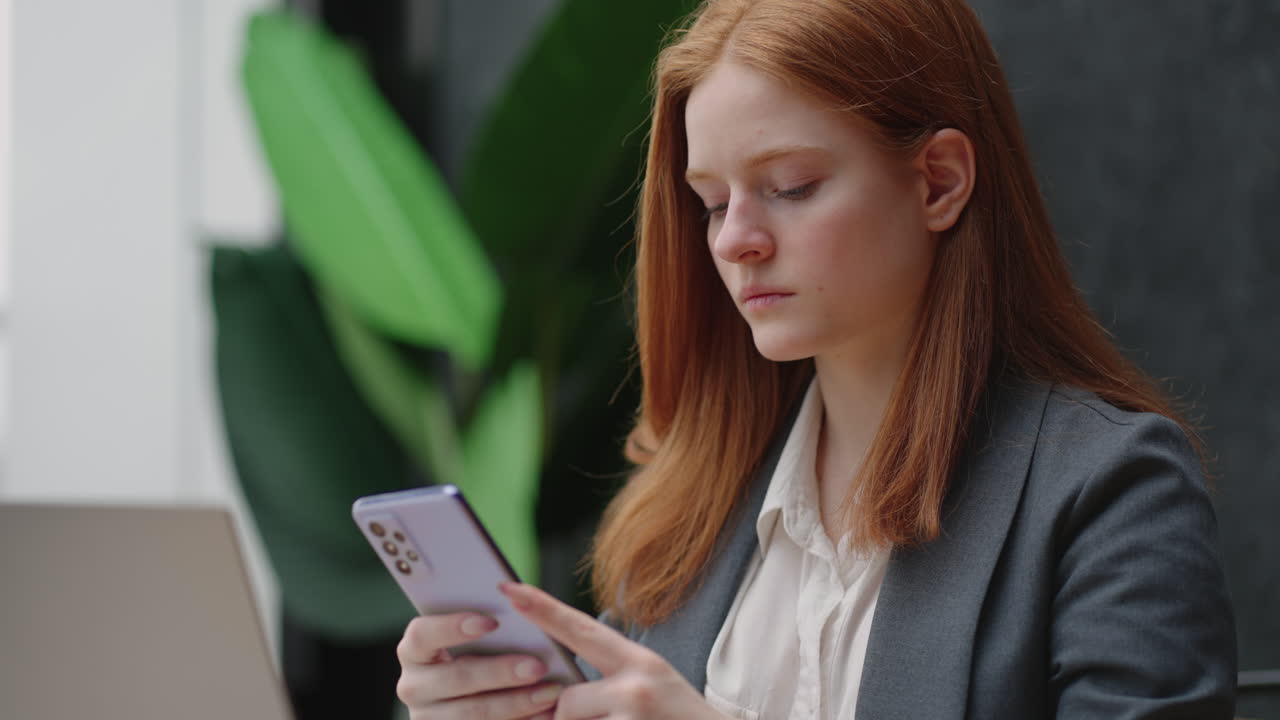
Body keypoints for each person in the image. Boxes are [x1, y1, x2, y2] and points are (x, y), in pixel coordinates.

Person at [393, 0, 1238, 717]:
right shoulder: (691, 513)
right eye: (711, 203)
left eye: (791, 187)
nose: (735, 241)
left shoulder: (1109, 493)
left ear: (940, 181)